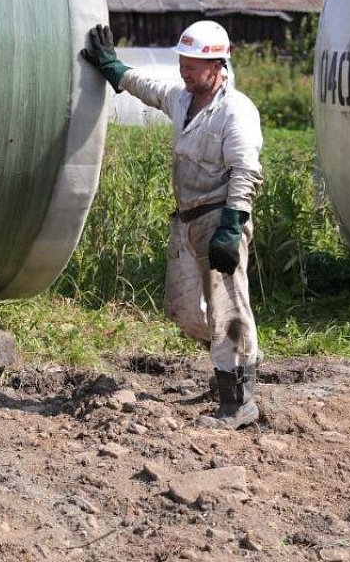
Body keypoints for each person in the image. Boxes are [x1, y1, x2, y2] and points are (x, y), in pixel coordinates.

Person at [83, 21, 264, 429]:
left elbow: (246, 171)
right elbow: (147, 86)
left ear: (218, 65)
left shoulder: (236, 111)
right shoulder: (182, 99)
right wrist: (113, 68)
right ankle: (235, 363)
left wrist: (232, 226)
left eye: (194, 63)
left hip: (221, 217)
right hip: (187, 220)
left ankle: (238, 400)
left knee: (227, 307)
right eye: (182, 61)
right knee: (183, 308)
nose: (184, 69)